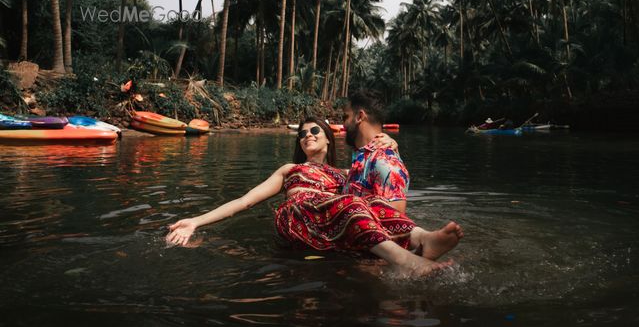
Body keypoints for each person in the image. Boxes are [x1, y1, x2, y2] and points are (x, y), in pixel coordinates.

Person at [165, 117, 462, 277]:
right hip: (300, 217)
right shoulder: (290, 169)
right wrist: (196, 221)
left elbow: (387, 176)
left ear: (327, 138)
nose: (307, 135)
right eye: (302, 133)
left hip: (337, 222)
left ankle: (422, 238)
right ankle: (408, 262)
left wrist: (394, 147)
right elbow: (245, 201)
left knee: (373, 203)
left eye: (314, 130)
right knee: (352, 202)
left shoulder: (346, 173)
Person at [341, 91, 411, 213]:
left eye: (345, 117)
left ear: (359, 117)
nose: (343, 124)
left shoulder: (385, 163)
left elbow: (396, 223)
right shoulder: (363, 158)